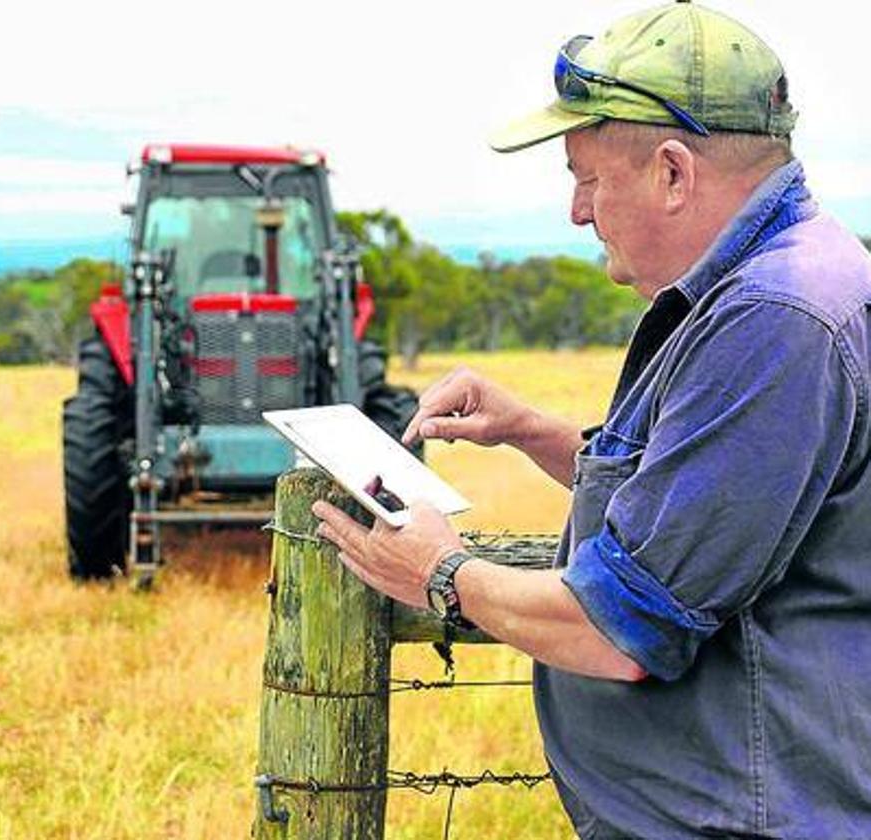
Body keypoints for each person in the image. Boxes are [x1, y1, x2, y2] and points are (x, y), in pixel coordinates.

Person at [311, 2, 871, 837]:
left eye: (587, 176)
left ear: (673, 173)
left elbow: (626, 629)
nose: (578, 211)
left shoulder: (776, 318)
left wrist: (442, 572)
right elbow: (712, 501)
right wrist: (532, 428)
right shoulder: (793, 279)